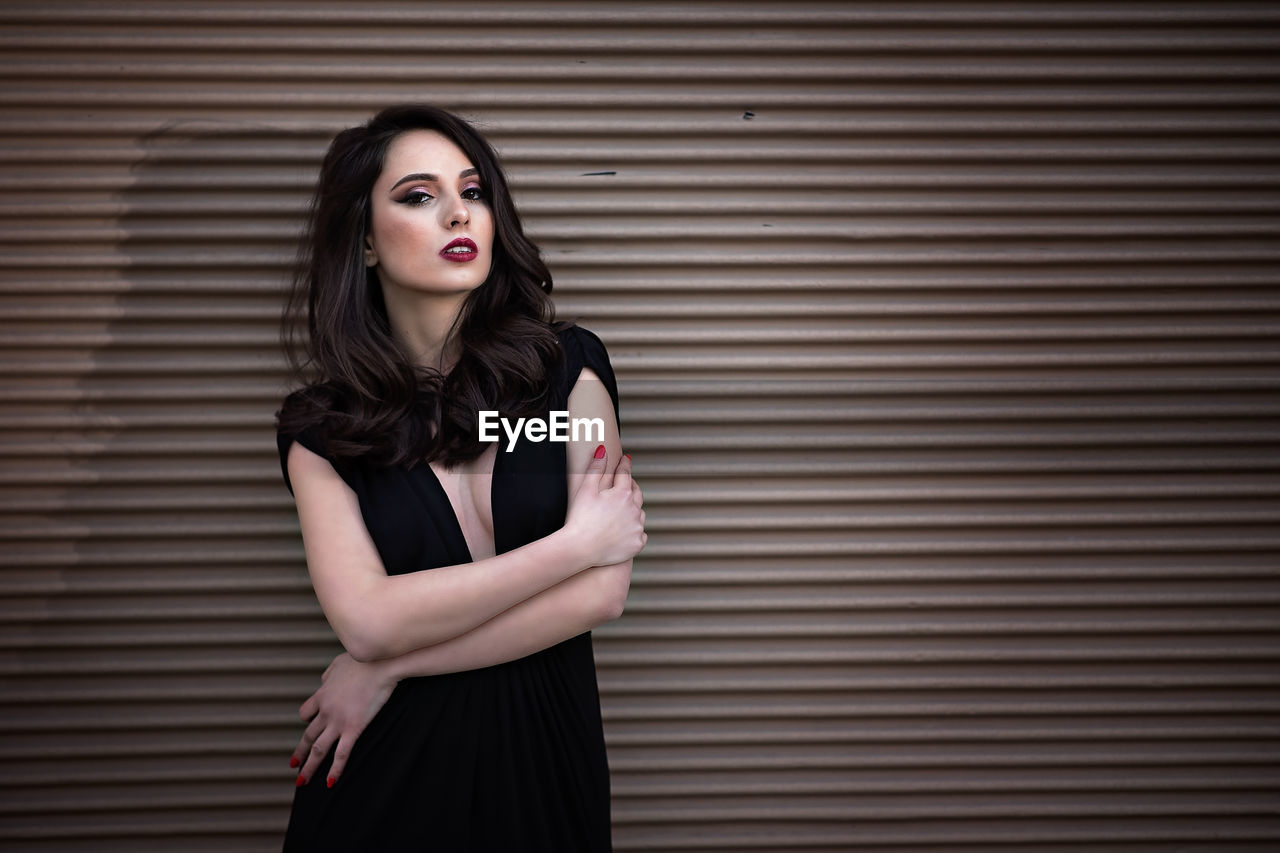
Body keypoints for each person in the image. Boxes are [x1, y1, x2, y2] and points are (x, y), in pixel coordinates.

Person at [274, 104, 646, 851]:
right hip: (388, 767)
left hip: (547, 758)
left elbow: (603, 592)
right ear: (366, 241)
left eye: (473, 192)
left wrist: (385, 670)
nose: (457, 214)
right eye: (418, 196)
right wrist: (573, 545)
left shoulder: (566, 369)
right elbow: (367, 621)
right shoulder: (322, 426)